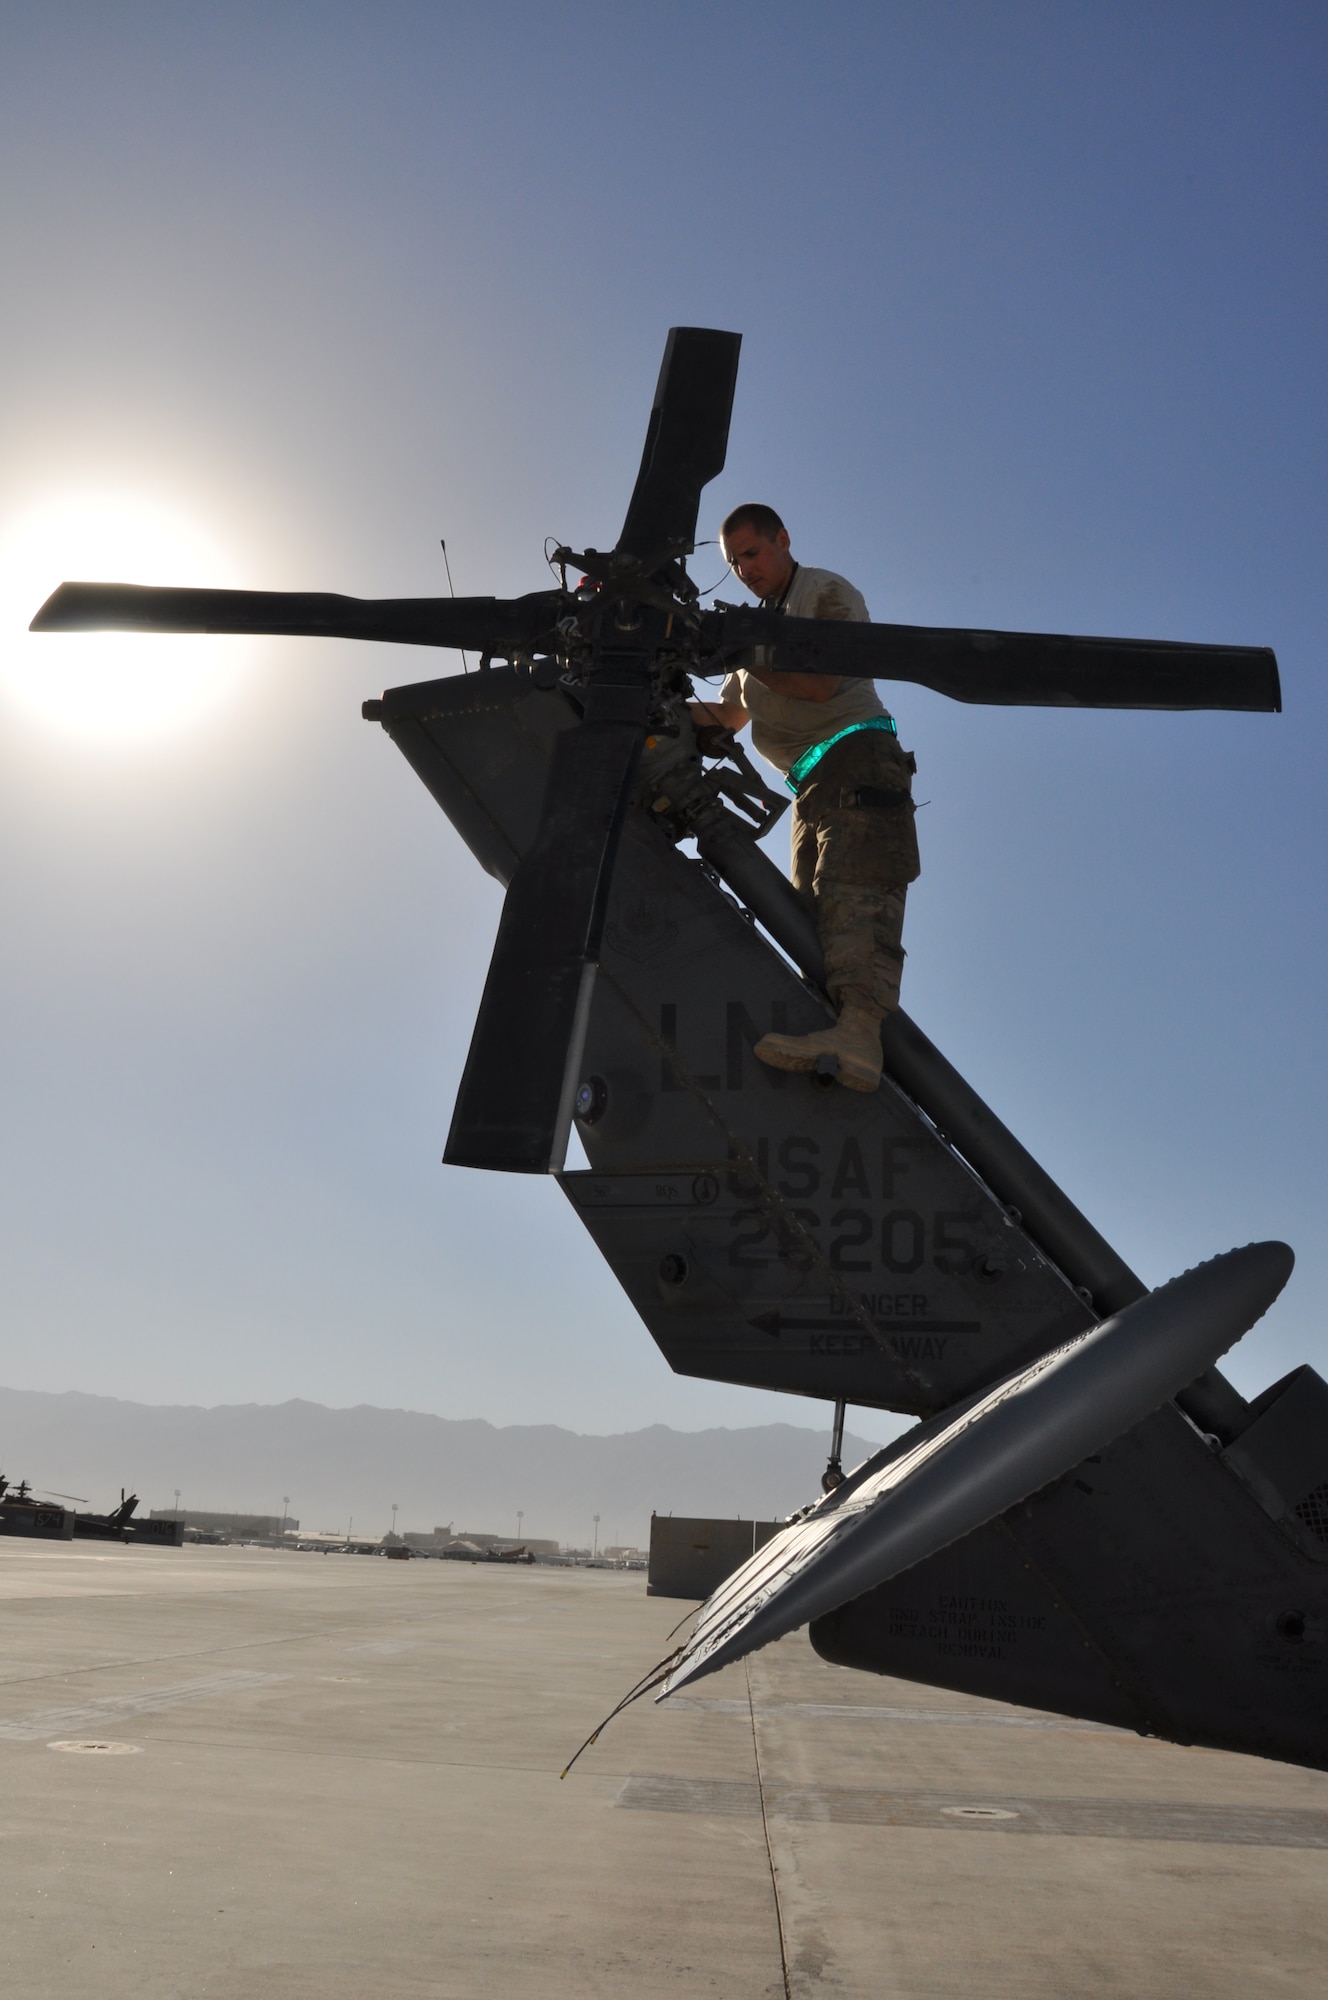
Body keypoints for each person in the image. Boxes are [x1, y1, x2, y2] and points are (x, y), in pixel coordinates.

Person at [693, 504, 919, 1093]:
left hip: (858, 757)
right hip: (811, 787)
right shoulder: (753, 640)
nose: (743, 569)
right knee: (809, 919)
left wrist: (740, 650)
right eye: (733, 562)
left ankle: (860, 1033)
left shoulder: (823, 593)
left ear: (783, 540)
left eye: (751, 553)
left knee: (854, 895)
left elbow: (820, 685)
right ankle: (837, 1035)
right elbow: (724, 717)